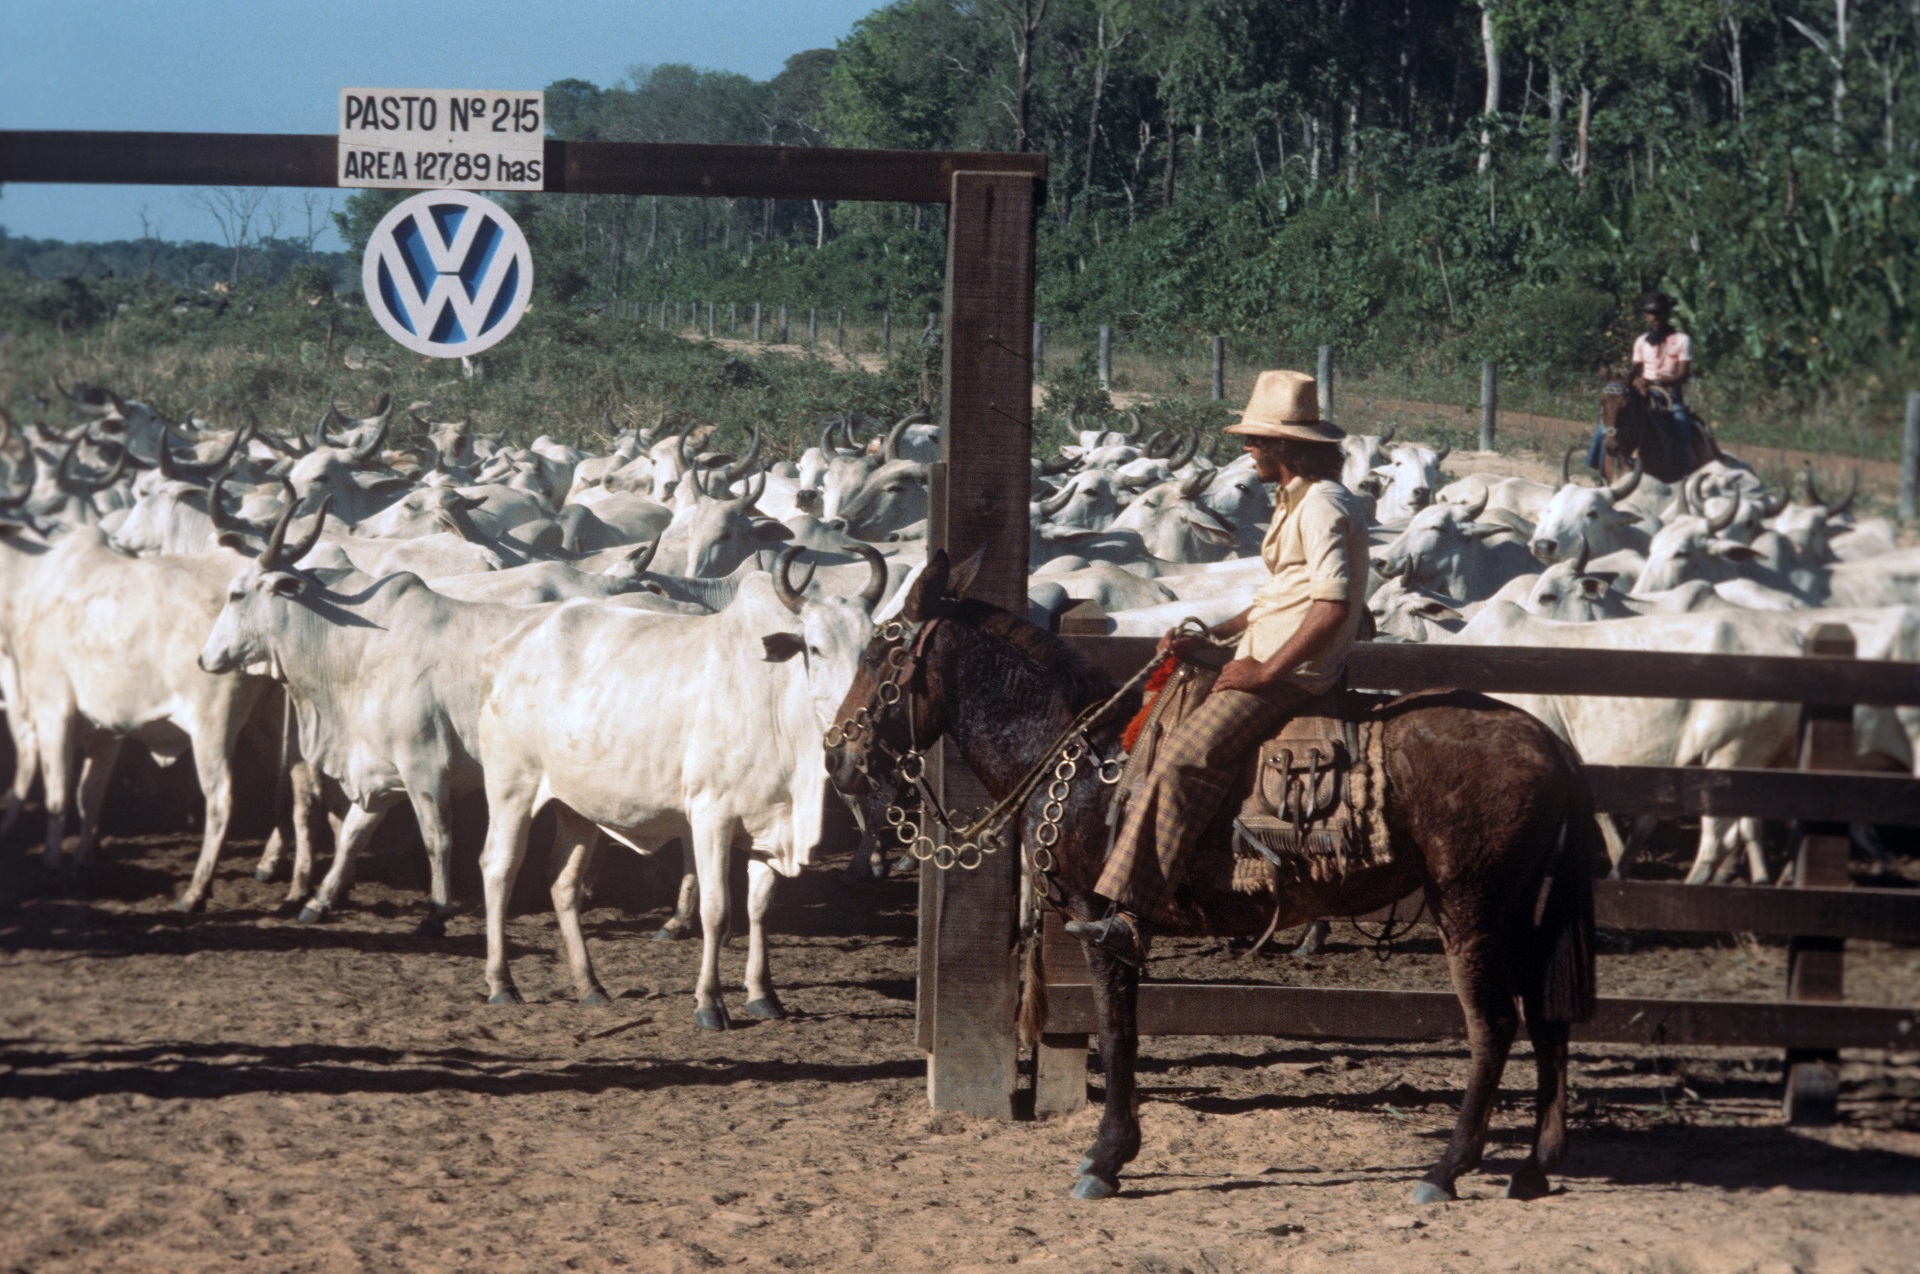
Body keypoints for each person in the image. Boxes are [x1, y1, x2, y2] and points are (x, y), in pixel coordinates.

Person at [1065, 370, 1369, 968]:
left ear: (1287, 446)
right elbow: (1282, 596)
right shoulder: (1298, 497)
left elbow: (1332, 607)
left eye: (1257, 439)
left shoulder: (1324, 503)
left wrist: (1263, 672)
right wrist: (1216, 635)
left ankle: (1134, 915)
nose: (1248, 448)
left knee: (1183, 759)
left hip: (1293, 671)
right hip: (1266, 650)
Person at [1588, 290, 1696, 470]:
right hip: (1643, 393)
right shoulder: (1641, 341)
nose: (1654, 317)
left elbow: (1682, 375)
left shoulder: (1682, 340)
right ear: (1646, 316)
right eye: (1650, 313)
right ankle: (1599, 470)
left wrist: (1655, 382)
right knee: (1609, 424)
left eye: (1658, 312)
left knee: (1682, 424)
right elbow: (1636, 371)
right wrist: (1637, 381)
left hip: (1669, 395)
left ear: (1667, 314)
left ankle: (1683, 471)